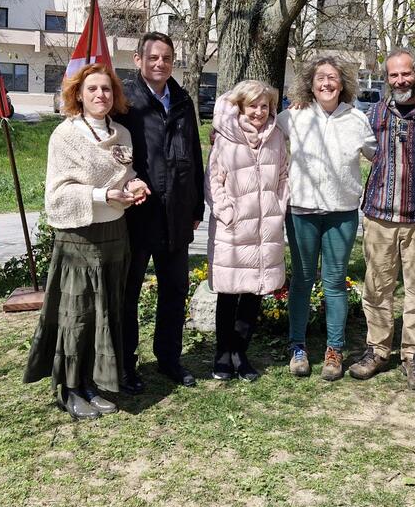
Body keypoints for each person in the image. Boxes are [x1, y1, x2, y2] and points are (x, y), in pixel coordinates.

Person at [23, 63, 150, 420]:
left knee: (105, 312)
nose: (100, 95)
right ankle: (69, 388)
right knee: (76, 315)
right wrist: (103, 195)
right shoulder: (65, 135)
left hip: (115, 235)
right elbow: (57, 193)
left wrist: (135, 184)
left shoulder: (122, 133)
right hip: (79, 236)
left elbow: (124, 174)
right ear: (78, 94)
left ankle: (91, 383)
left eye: (106, 89)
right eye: (92, 89)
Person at [277, 57, 376, 380]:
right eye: (320, 78)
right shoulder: (293, 116)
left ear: (343, 83)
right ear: (311, 83)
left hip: (341, 213)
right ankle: (297, 347)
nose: (326, 83)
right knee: (302, 279)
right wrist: (220, 132)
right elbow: (258, 131)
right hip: (301, 211)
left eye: (332, 78)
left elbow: (379, 154)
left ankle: (335, 349)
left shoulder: (357, 119)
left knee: (335, 282)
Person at [116, 32, 205, 390]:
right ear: (138, 59)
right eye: (152, 57)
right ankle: (125, 364)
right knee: (128, 293)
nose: (160, 63)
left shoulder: (182, 99)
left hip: (177, 213)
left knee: (175, 289)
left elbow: (194, 155)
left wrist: (196, 205)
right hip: (138, 213)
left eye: (166, 58)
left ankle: (169, 358)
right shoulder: (125, 100)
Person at [350, 49, 415, 392]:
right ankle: (377, 349)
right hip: (380, 216)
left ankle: (414, 356)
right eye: (393, 75)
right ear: (386, 78)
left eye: (406, 74)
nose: (400, 80)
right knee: (377, 287)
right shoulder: (373, 113)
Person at [205, 80, 290, 381]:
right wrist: (226, 212)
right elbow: (213, 180)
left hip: (265, 228)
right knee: (229, 292)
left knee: (254, 292)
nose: (259, 112)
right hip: (233, 228)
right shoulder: (226, 137)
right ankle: (222, 354)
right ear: (240, 107)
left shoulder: (276, 136)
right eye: (253, 105)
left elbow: (283, 176)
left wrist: (278, 208)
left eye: (264, 106)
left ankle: (241, 353)